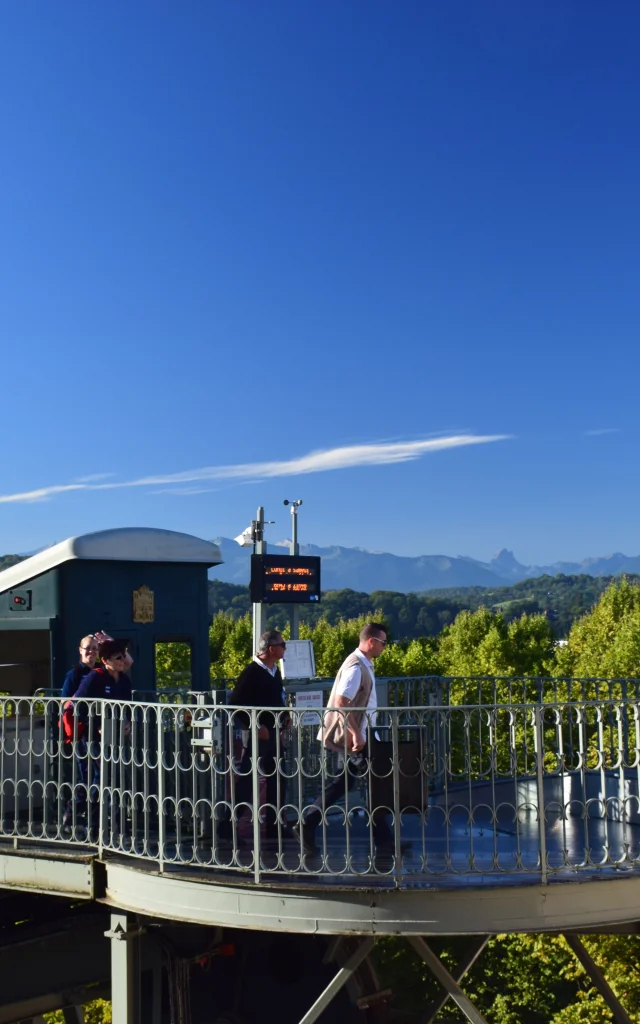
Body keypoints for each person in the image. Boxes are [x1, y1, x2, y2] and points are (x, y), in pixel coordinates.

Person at [295, 622, 394, 856]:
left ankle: (307, 823)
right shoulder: (356, 667)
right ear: (372, 641)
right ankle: (386, 843)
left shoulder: (362, 663)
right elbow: (342, 702)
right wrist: (355, 733)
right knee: (377, 783)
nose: (384, 648)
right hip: (357, 737)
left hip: (360, 735)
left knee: (344, 783)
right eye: (383, 643)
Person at [218, 629, 289, 845]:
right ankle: (227, 827)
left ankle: (275, 825)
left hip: (275, 731)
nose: (285, 648)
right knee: (247, 782)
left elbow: (277, 698)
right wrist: (255, 726)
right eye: (282, 644)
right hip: (260, 735)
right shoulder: (251, 672)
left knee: (278, 779)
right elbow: (237, 704)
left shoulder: (274, 671)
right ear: (271, 648)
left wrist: (285, 717)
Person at [61, 638, 133, 838]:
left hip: (115, 737)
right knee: (98, 779)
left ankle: (116, 825)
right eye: (118, 657)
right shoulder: (94, 678)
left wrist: (128, 723)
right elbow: (77, 706)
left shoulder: (124, 681)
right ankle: (91, 825)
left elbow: (128, 706)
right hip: (92, 737)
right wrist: (96, 725)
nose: (122, 660)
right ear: (106, 660)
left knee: (115, 779)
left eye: (123, 656)